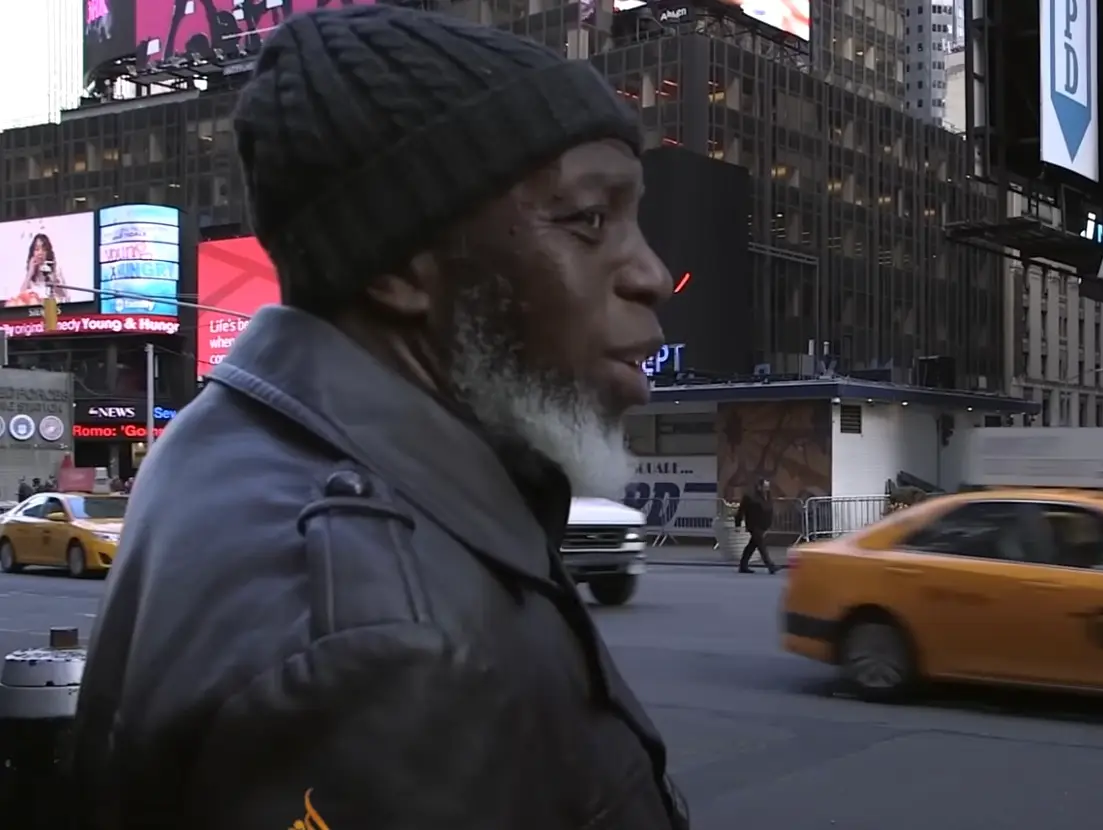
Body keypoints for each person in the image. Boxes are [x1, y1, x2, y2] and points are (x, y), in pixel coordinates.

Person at [68, 7, 688, 829]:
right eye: (587, 219)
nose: (650, 272)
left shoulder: (227, 442)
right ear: (400, 262)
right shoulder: (383, 645)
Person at [734, 478, 779, 574]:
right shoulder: (750, 497)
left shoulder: (767, 496)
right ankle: (770, 565)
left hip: (763, 525)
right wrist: (737, 524)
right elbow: (741, 511)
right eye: (765, 486)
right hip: (753, 525)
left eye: (768, 486)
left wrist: (769, 523)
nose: (767, 488)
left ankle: (743, 566)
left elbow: (769, 509)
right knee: (761, 546)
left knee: (752, 546)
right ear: (759, 487)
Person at [8, 232, 61, 308]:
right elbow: (20, 296)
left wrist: (54, 278)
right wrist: (30, 273)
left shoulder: (56, 269)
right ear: (32, 253)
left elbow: (65, 297)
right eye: (37, 249)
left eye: (44, 249)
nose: (40, 253)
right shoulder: (28, 269)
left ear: (48, 252)